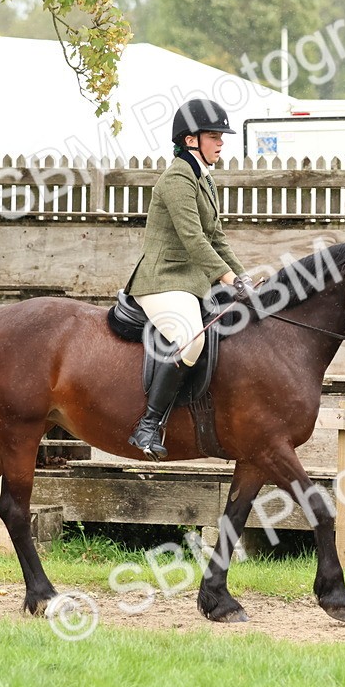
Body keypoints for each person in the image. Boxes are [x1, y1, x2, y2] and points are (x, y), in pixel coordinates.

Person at [123, 99, 253, 460]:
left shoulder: (204, 179)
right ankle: (147, 426)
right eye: (214, 136)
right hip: (162, 279)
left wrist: (243, 277)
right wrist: (226, 276)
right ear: (191, 139)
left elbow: (217, 238)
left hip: (191, 281)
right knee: (190, 338)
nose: (221, 143)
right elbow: (192, 238)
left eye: (221, 137)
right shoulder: (178, 177)